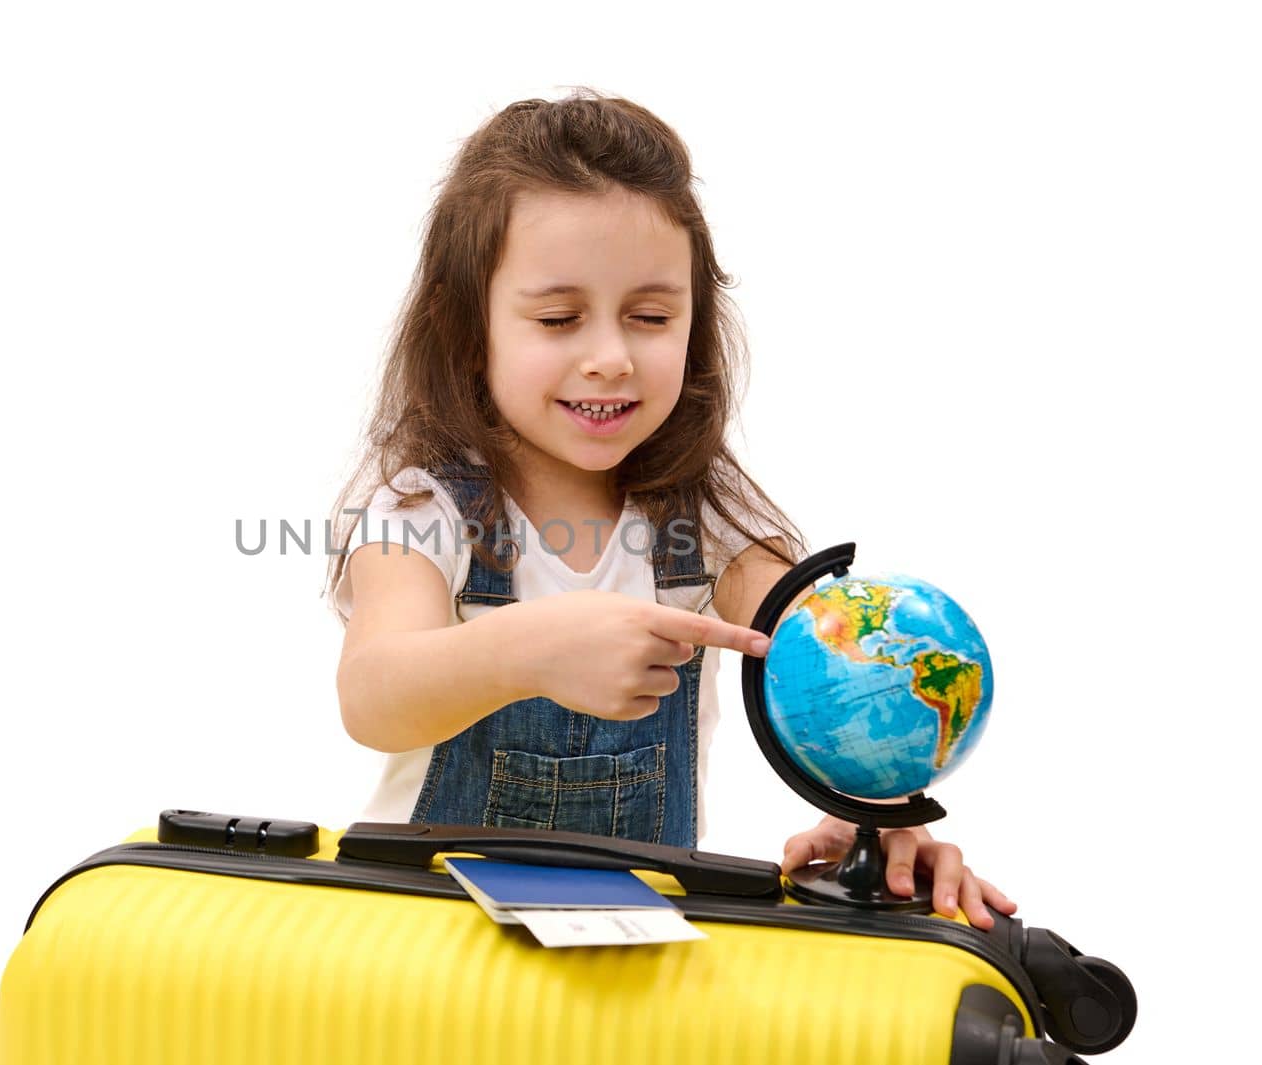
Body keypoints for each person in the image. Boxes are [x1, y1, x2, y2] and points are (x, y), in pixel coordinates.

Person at [325, 89, 1015, 930]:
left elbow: (824, 651)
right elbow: (372, 693)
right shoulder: (419, 505)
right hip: (431, 956)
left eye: (650, 317)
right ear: (470, 329)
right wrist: (528, 649)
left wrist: (878, 804)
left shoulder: (707, 521)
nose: (611, 357)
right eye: (558, 317)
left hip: (635, 973)